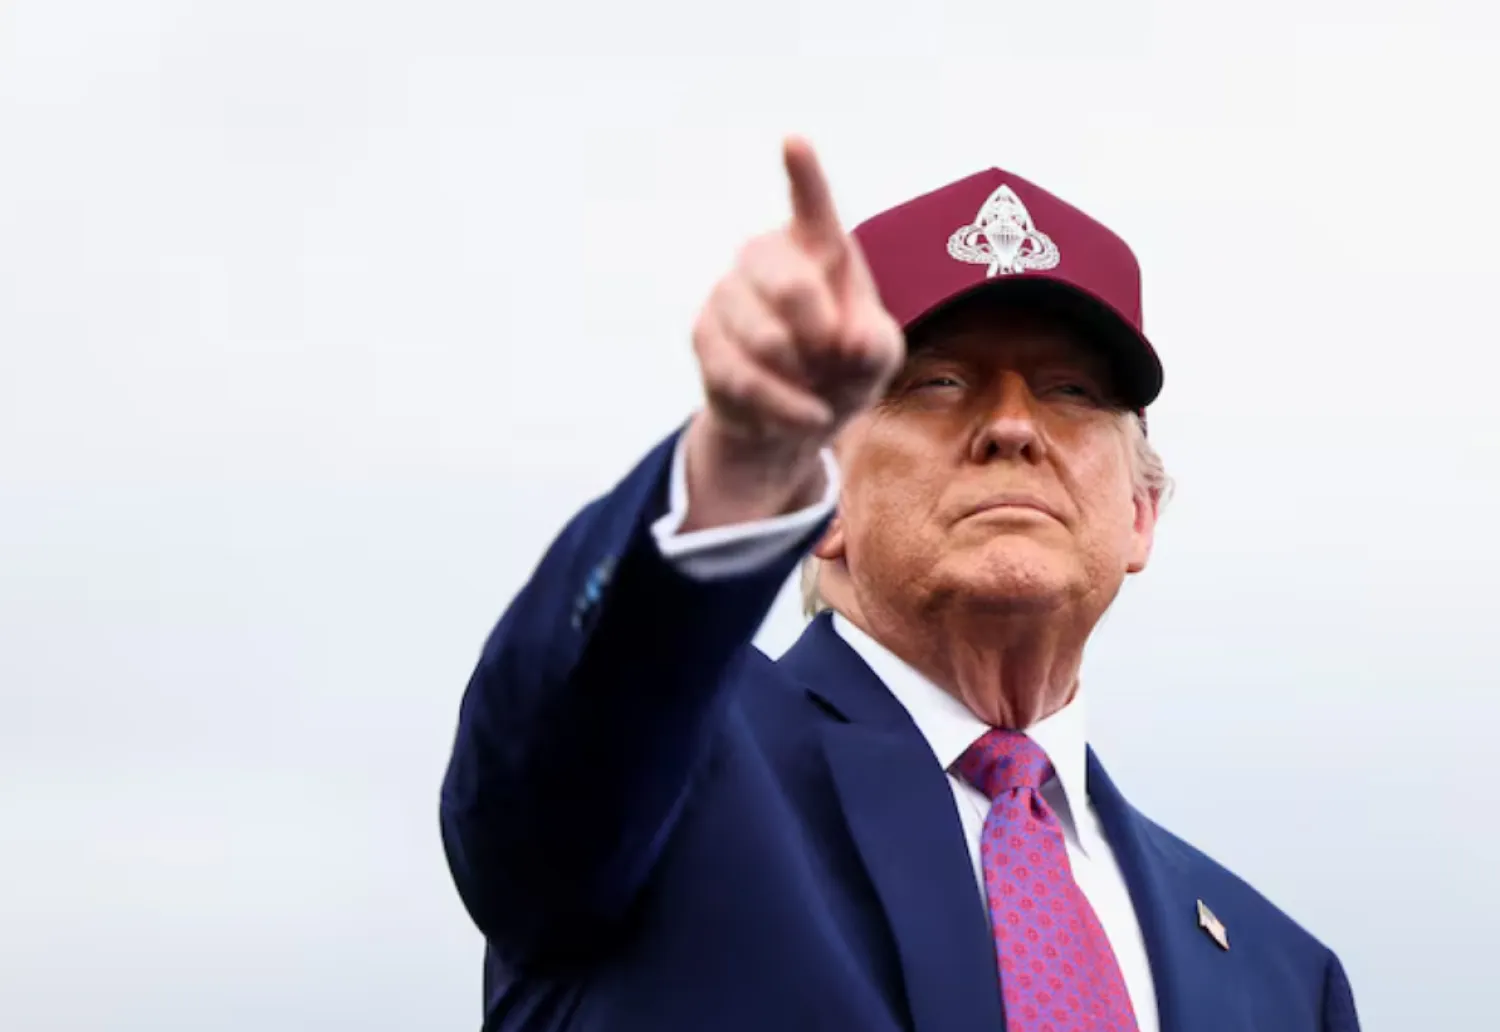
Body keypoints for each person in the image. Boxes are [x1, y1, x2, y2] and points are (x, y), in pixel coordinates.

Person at [439, 138, 1361, 1032]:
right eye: (939, 382)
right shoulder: (672, 770)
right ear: (822, 495)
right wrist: (738, 463)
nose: (1011, 426)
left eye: (1072, 392)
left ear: (1139, 515)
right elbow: (549, 746)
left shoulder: (1283, 977)